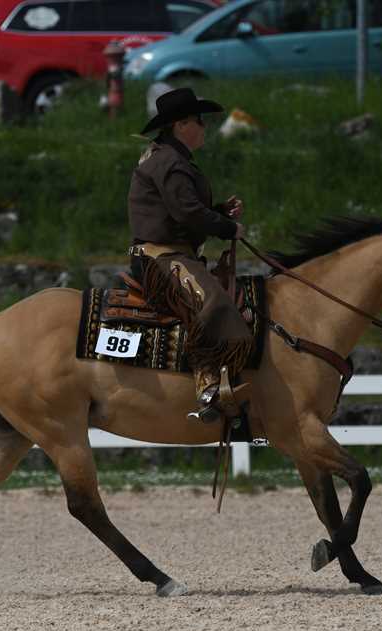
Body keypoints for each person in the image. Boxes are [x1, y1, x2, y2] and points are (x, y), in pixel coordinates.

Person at [127, 88, 250, 424]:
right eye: (199, 121)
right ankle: (207, 385)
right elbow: (188, 213)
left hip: (169, 254)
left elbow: (183, 211)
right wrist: (227, 227)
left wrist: (219, 212)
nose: (204, 127)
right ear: (181, 125)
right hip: (161, 258)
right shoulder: (170, 162)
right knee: (214, 301)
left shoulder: (168, 158)